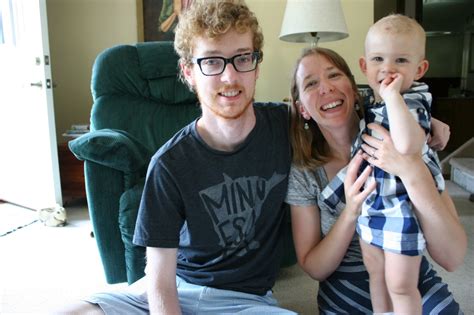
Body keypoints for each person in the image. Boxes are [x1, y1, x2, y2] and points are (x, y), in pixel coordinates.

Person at [52, 0, 296, 314]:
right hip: (176, 285)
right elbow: (159, 280)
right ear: (188, 71)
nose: (229, 77)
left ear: (256, 65)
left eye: (242, 58)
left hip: (246, 302)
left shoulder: (285, 127)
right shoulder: (169, 164)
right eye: (211, 61)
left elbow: (340, 123)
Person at [285, 46, 467, 314]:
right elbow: (314, 267)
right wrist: (351, 211)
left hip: (410, 280)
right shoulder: (305, 172)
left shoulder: (403, 136)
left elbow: (452, 257)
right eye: (311, 83)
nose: (325, 88)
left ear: (353, 87)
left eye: (334, 75)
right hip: (346, 291)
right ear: (303, 109)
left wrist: (410, 168)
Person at [326, 14, 444, 314]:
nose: (388, 68)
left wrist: (393, 96)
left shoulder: (413, 101)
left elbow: (407, 145)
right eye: (378, 59)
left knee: (402, 285)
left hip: (401, 208)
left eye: (401, 61)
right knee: (376, 277)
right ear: (365, 66)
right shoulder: (372, 101)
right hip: (373, 208)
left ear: (420, 69)